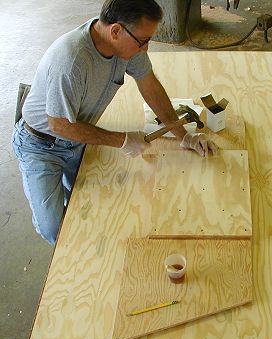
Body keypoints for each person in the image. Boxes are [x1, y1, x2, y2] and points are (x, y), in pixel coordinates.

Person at [12, 0, 217, 245]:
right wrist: (122, 140)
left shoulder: (126, 47)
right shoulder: (71, 61)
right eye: (142, 41)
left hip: (78, 140)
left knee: (91, 212)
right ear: (116, 31)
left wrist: (183, 136)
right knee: (54, 228)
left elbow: (150, 87)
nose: (146, 48)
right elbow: (59, 125)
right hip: (40, 145)